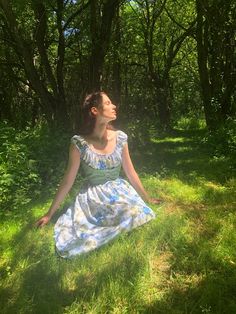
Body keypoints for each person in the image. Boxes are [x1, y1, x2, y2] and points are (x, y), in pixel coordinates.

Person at [35, 91, 161, 258]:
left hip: (120, 190)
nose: (114, 106)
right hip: (94, 195)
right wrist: (49, 213)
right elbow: (68, 180)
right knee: (96, 226)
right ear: (95, 111)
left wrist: (147, 198)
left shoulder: (120, 138)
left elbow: (130, 172)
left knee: (138, 212)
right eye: (108, 103)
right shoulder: (79, 143)